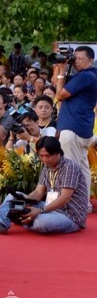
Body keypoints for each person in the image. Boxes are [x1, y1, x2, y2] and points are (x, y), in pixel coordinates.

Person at [0, 137, 88, 234]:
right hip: (50, 207)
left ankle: (24, 219)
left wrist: (40, 210)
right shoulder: (47, 166)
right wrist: (24, 201)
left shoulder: (69, 167)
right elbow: (38, 192)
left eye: (47, 156)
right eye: (41, 156)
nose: (44, 159)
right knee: (13, 197)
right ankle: (0, 222)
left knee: (40, 223)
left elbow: (65, 198)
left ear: (58, 153)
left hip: (69, 215)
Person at [53, 46, 97, 193]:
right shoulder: (88, 75)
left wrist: (62, 72)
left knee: (70, 168)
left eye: (80, 58)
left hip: (72, 129)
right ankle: (84, 203)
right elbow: (55, 82)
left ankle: (70, 204)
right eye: (75, 58)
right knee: (82, 167)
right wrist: (61, 69)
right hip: (81, 128)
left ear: (91, 60)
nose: (76, 61)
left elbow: (59, 95)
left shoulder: (86, 76)